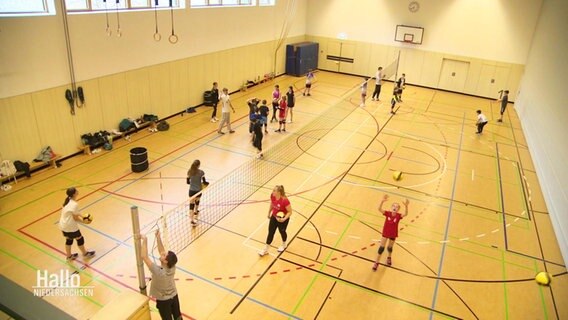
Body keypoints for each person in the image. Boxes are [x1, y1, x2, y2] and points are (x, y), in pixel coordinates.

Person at [141, 230, 181, 320]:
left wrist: (145, 240)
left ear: (165, 261)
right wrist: (158, 237)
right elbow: (162, 251)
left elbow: (144, 256)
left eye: (164, 255)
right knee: (178, 318)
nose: (162, 253)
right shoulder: (172, 266)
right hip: (174, 296)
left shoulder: (159, 272)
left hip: (164, 301)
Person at [372, 194, 409, 271]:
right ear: (391, 207)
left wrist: (406, 206)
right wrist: (382, 201)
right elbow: (379, 209)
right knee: (381, 248)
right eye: (394, 206)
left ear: (398, 209)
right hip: (385, 233)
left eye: (397, 207)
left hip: (393, 233)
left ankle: (389, 257)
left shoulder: (399, 216)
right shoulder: (387, 213)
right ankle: (376, 262)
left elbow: (405, 214)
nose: (395, 207)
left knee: (390, 247)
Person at [58, 187, 95, 260]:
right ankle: (85, 253)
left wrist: (82, 216)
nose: (78, 191)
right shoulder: (74, 204)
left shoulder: (68, 201)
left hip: (63, 224)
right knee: (80, 239)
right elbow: (75, 218)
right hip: (70, 226)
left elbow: (74, 213)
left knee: (69, 240)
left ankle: (69, 256)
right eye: (76, 190)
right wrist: (84, 222)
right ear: (74, 193)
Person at [259, 185, 293, 256]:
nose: (272, 192)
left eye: (274, 190)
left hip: (283, 218)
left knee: (282, 231)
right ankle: (266, 249)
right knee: (271, 232)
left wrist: (283, 219)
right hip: (274, 217)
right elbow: (272, 203)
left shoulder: (285, 200)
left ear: (279, 192)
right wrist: (269, 212)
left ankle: (284, 244)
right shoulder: (272, 196)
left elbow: (290, 212)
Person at [187, 160, 207, 226]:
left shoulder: (189, 171)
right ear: (199, 165)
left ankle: (192, 221)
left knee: (191, 204)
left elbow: (187, 182)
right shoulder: (201, 172)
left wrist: (193, 183)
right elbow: (204, 182)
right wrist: (205, 184)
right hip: (198, 190)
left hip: (191, 191)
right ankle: (196, 211)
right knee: (197, 200)